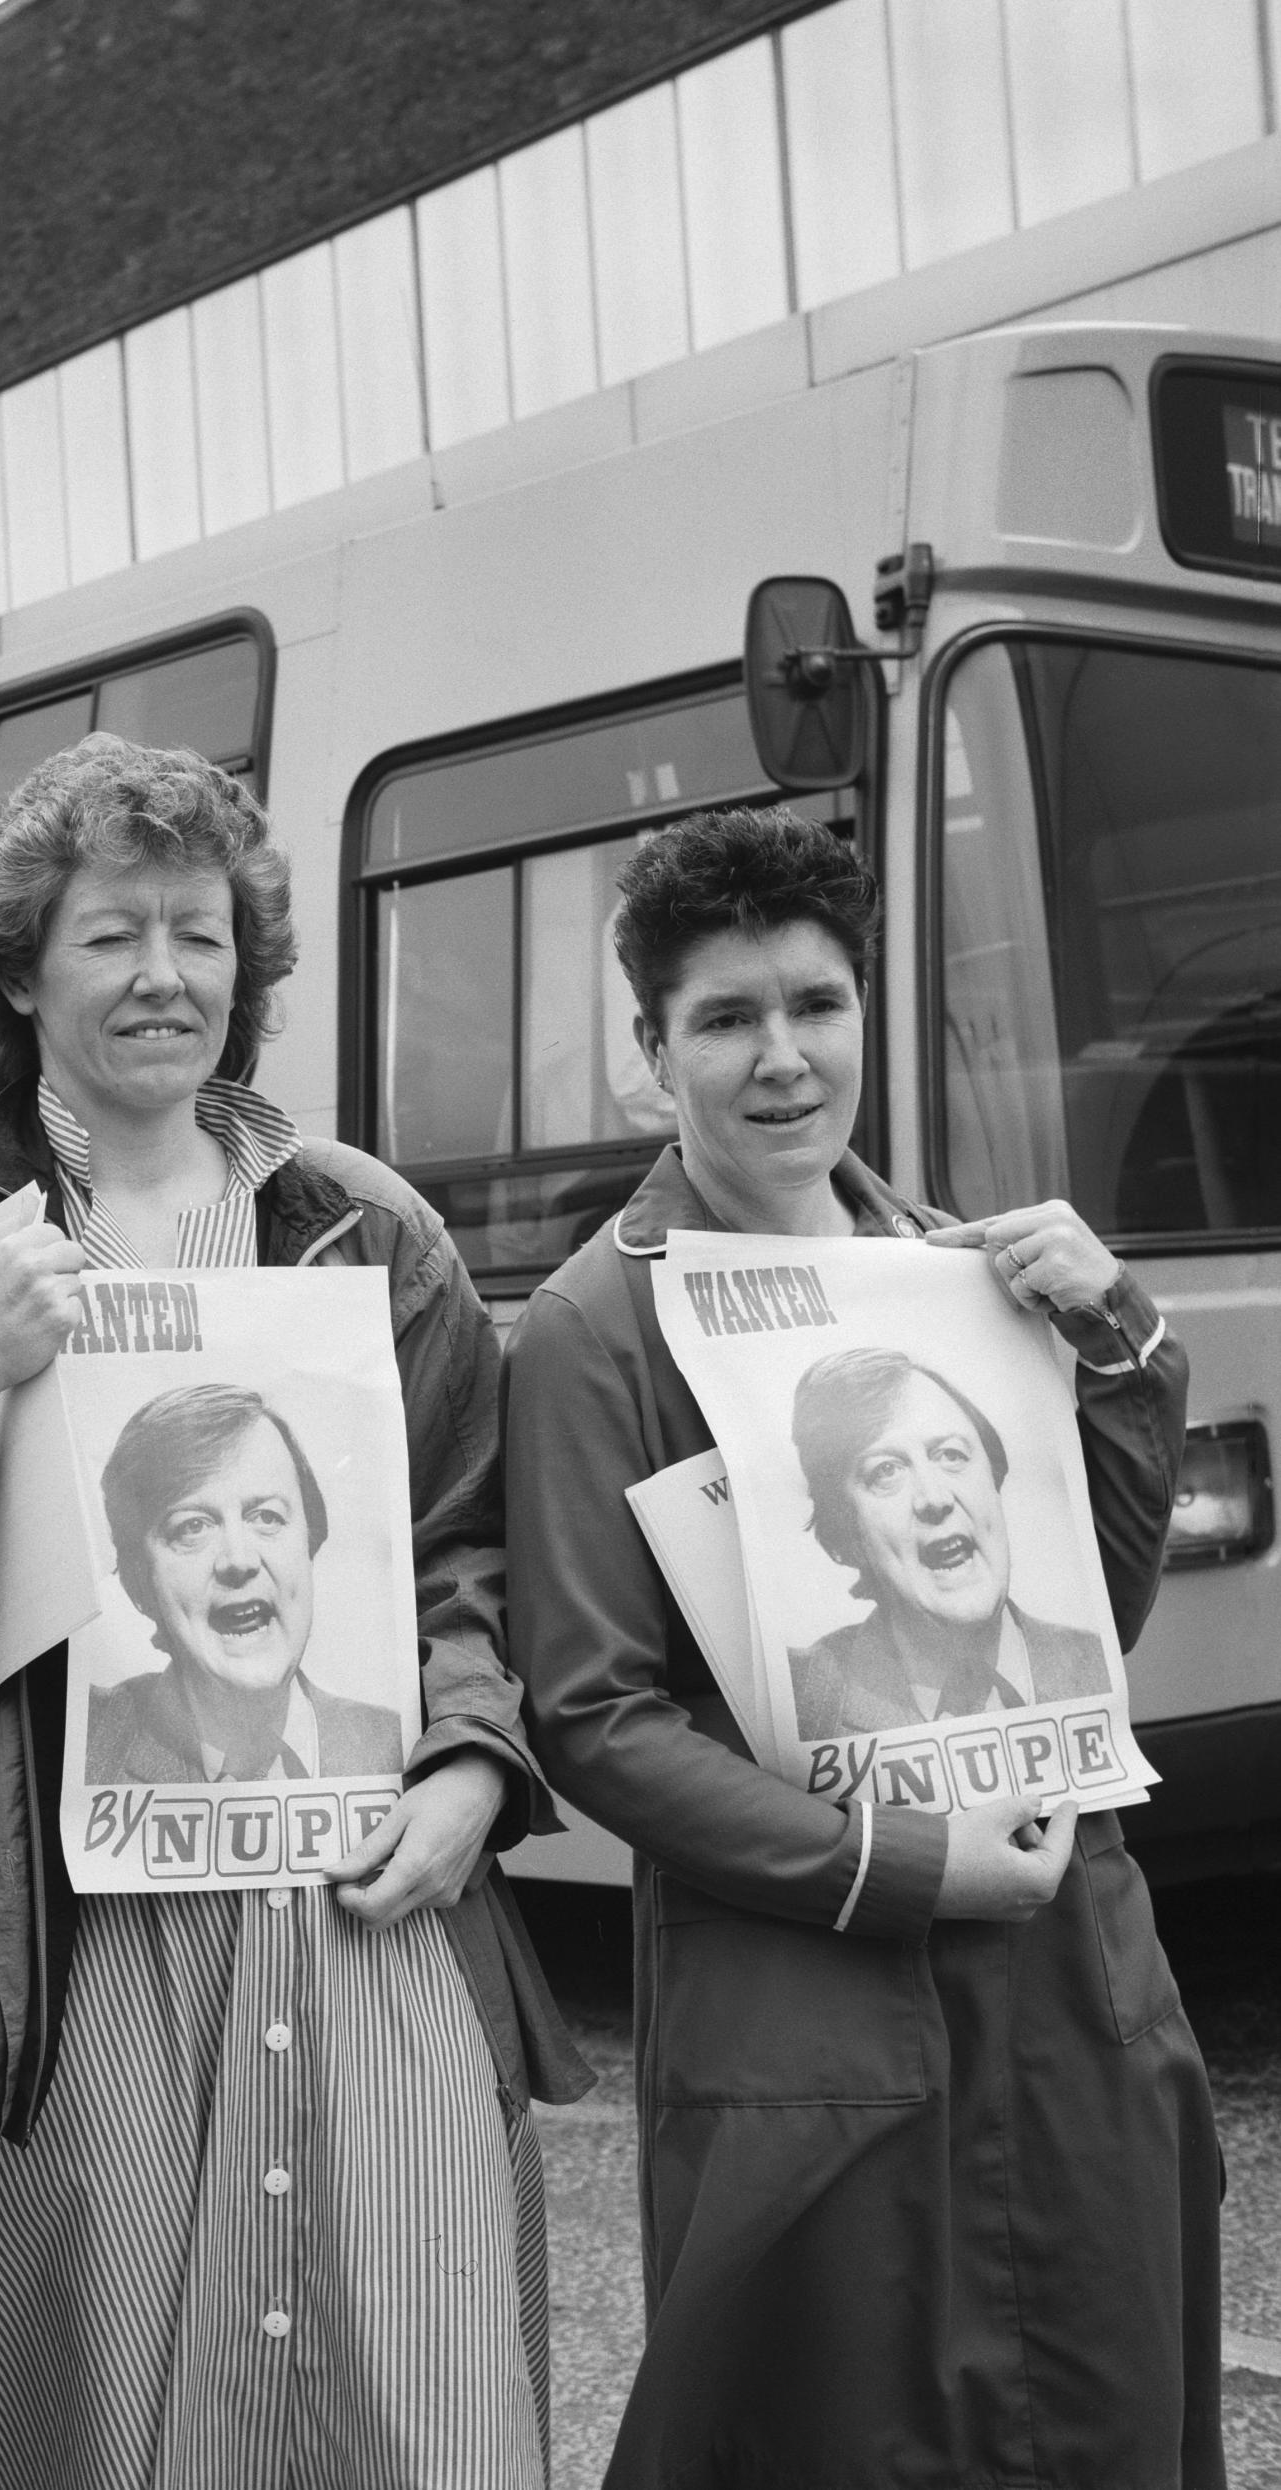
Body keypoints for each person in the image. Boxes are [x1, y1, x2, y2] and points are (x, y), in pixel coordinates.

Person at [0, 733, 590, 2490]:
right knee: (81, 2385)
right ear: (18, 970)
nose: (166, 975)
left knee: (404, 2379)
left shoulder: (363, 1225)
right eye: (111, 936)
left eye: (201, 935)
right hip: (69, 1923)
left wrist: (467, 1768)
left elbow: (464, 1553)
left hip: (356, 1893)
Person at [502, 806, 1221, 2488]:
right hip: (807, 1991)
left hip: (1064, 1960)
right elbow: (597, 1717)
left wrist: (1118, 1346)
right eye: (726, 1019)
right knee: (839, 2427)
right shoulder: (598, 1325)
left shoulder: (959, 1272)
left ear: (862, 1016)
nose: (780, 1060)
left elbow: (1089, 1624)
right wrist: (901, 1865)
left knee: (1102, 2407)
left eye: (815, 1006)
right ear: (650, 1054)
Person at [86, 1380, 405, 1784]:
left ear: (310, 1543)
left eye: (267, 1517)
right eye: (192, 1527)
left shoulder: (403, 1748)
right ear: (137, 1584)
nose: (238, 1560)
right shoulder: (90, 1746)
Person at [785, 1346, 1111, 1740]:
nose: (934, 1498)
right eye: (885, 1471)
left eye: (951, 1454)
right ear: (846, 1537)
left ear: (994, 1481)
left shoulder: (1096, 1661)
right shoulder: (800, 1698)